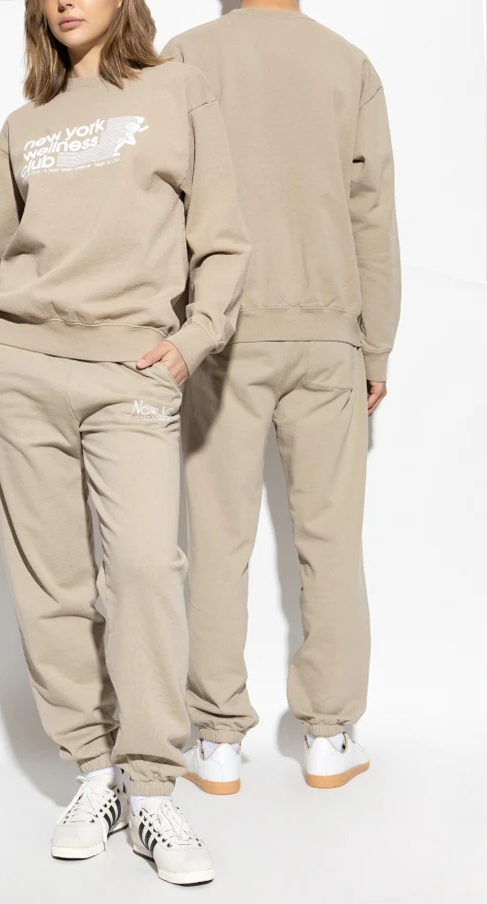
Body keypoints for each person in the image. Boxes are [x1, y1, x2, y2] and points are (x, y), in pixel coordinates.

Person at [0, 0, 249, 885]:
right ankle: (95, 772)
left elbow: (224, 243)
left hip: (132, 370)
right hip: (21, 367)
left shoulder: (179, 90)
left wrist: (192, 343)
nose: (66, 0)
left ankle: (152, 790)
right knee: (52, 583)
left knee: (144, 569)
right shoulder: (24, 124)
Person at [163, 0, 401, 792]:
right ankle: (329, 736)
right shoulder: (348, 63)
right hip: (330, 334)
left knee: (216, 541)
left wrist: (176, 327)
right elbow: (372, 215)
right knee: (331, 541)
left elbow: (162, 203)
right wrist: (377, 342)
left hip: (221, 332)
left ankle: (216, 741)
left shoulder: (188, 54)